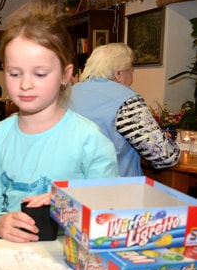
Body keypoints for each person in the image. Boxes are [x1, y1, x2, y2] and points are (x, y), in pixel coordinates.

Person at [0, 2, 119, 243]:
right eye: (14, 73)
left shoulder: (89, 139)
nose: (25, 84)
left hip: (70, 256)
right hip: (13, 255)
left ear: (65, 74)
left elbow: (110, 211)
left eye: (40, 74)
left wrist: (66, 206)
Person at [70, 42, 180, 177]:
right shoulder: (126, 101)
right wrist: (169, 139)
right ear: (118, 74)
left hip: (70, 186)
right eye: (131, 70)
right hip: (115, 189)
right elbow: (165, 157)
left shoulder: (68, 94)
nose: (132, 76)